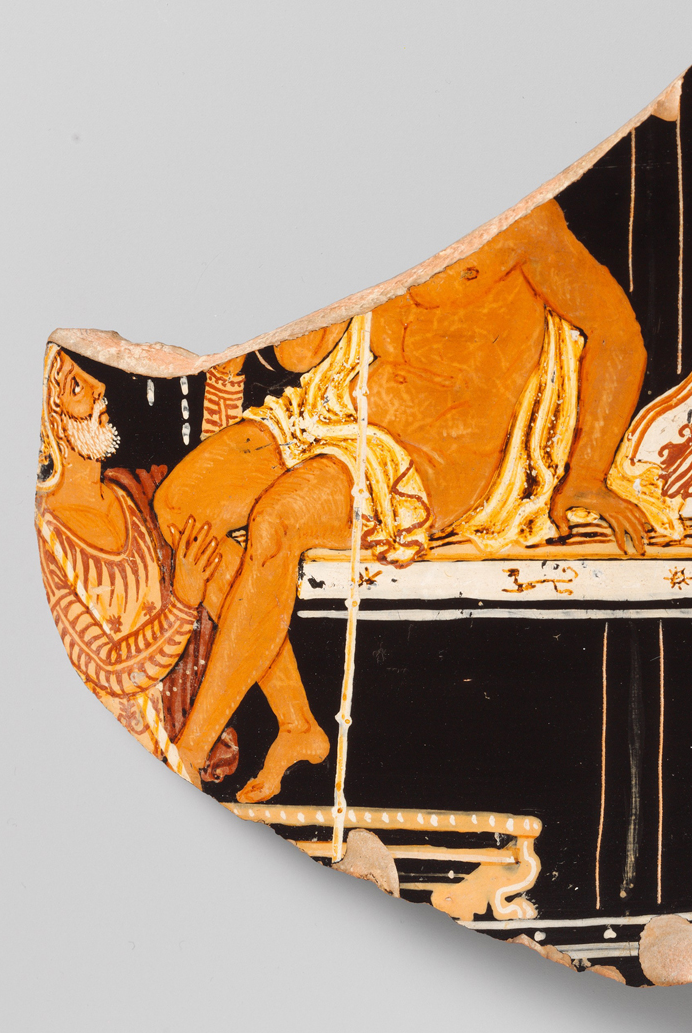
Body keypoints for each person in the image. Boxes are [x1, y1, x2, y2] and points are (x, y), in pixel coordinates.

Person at [154, 199, 653, 800]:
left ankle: (190, 750)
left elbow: (618, 334)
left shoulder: (522, 220)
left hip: (435, 456)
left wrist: (587, 474)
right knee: (181, 505)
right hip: (341, 414)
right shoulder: (372, 207)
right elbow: (298, 357)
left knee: (279, 520)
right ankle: (297, 723)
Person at [35, 347, 234, 778]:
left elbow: (214, 482)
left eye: (93, 378)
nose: (100, 390)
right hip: (106, 768)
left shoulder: (138, 492)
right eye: (76, 386)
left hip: (177, 756)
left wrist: (227, 378)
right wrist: (183, 604)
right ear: (49, 420)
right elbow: (107, 667)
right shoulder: (47, 535)